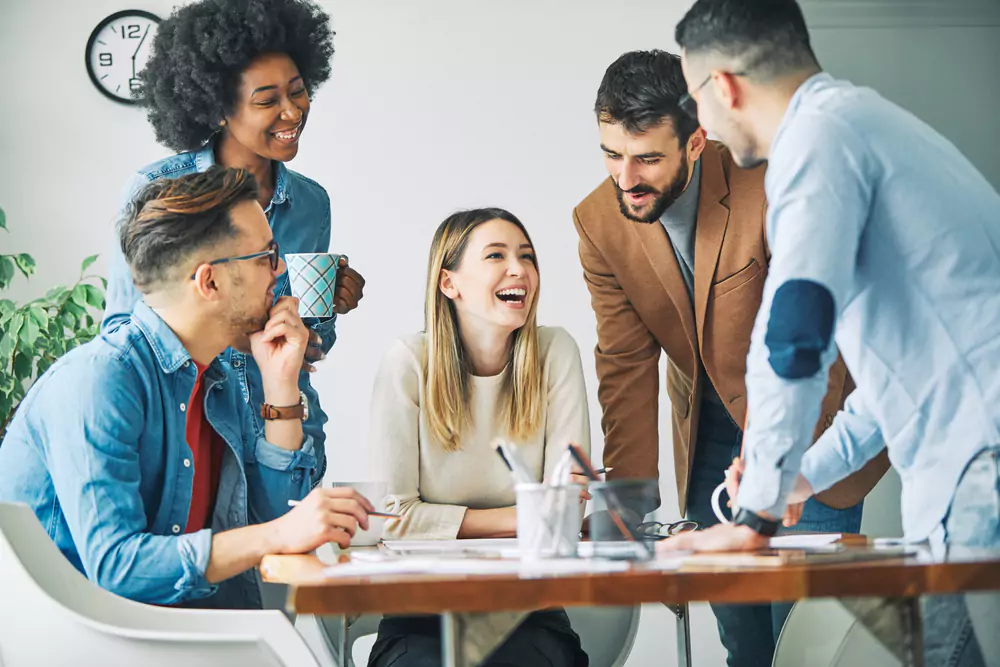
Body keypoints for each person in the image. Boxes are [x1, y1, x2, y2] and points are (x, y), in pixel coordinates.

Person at [667, 1, 1000, 664]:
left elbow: (793, 335)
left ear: (723, 87)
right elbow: (890, 386)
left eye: (691, 97)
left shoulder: (816, 143)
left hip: (980, 472)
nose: (699, 122)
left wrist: (757, 511)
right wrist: (801, 478)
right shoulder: (864, 126)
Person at [573, 49, 887, 666]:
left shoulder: (768, 183)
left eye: (648, 158)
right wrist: (630, 506)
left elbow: (809, 337)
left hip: (807, 419)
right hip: (709, 434)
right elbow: (624, 367)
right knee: (742, 640)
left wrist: (788, 461)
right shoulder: (597, 222)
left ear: (696, 142)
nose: (625, 178)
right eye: (611, 154)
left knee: (806, 636)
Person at [0, 167, 374, 608]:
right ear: (209, 281)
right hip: (94, 641)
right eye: (265, 256)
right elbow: (118, 566)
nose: (280, 270)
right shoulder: (99, 380)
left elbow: (276, 524)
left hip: (176, 628)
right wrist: (277, 533)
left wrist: (280, 386)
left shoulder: (216, 379)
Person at [103, 0, 366, 485]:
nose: (292, 111)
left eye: (298, 91)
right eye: (267, 100)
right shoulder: (158, 191)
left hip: (283, 423)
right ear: (219, 108)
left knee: (284, 557)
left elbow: (311, 345)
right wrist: (232, 330)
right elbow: (121, 331)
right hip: (190, 429)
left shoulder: (311, 203)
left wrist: (326, 309)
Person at [367, 208, 590, 666]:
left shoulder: (556, 352)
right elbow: (392, 516)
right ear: (449, 283)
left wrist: (447, 522)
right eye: (496, 255)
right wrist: (526, 515)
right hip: (419, 610)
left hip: (532, 611)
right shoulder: (408, 362)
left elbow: (567, 507)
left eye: (526, 256)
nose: (519, 269)